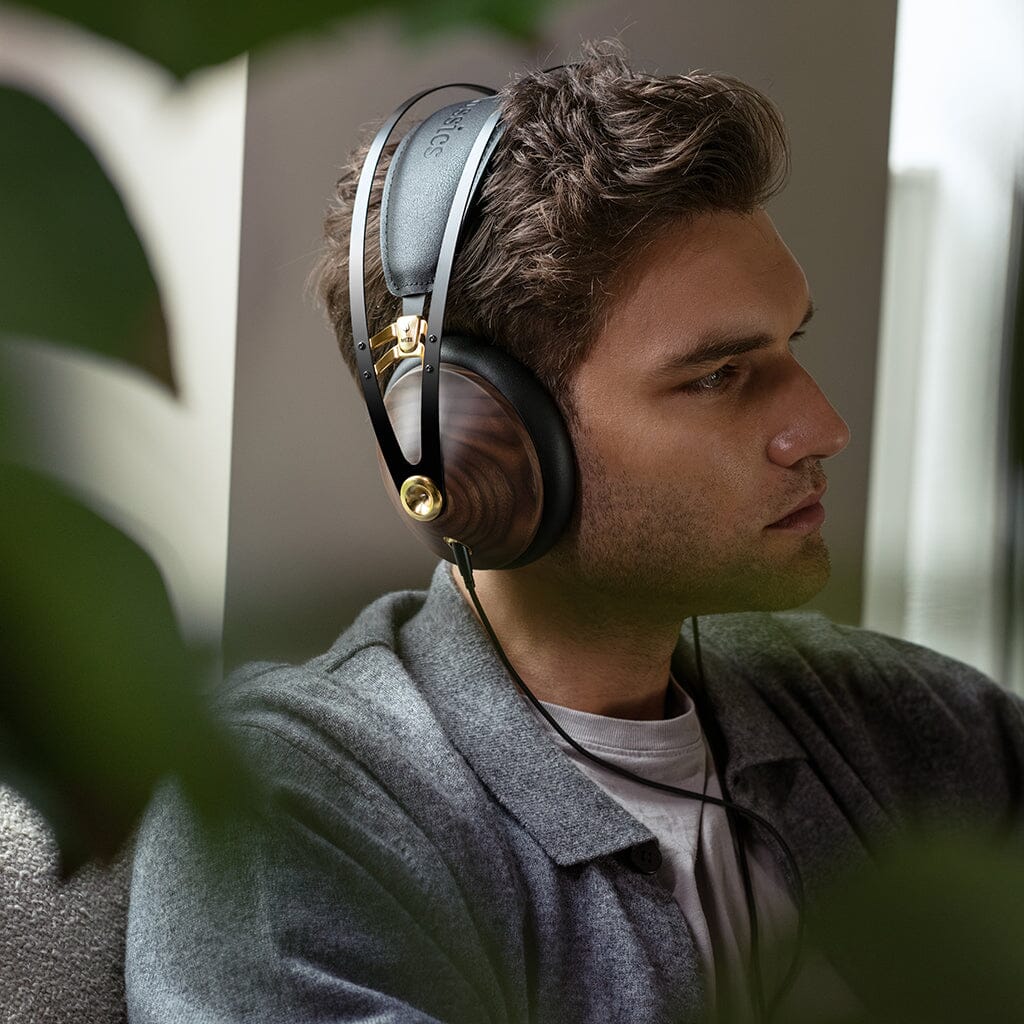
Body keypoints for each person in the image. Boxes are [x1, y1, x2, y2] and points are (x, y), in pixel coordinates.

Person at [126, 42, 1024, 1024]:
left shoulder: (897, 723)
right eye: (717, 376)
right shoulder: (294, 807)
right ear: (482, 448)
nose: (820, 428)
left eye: (789, 346)